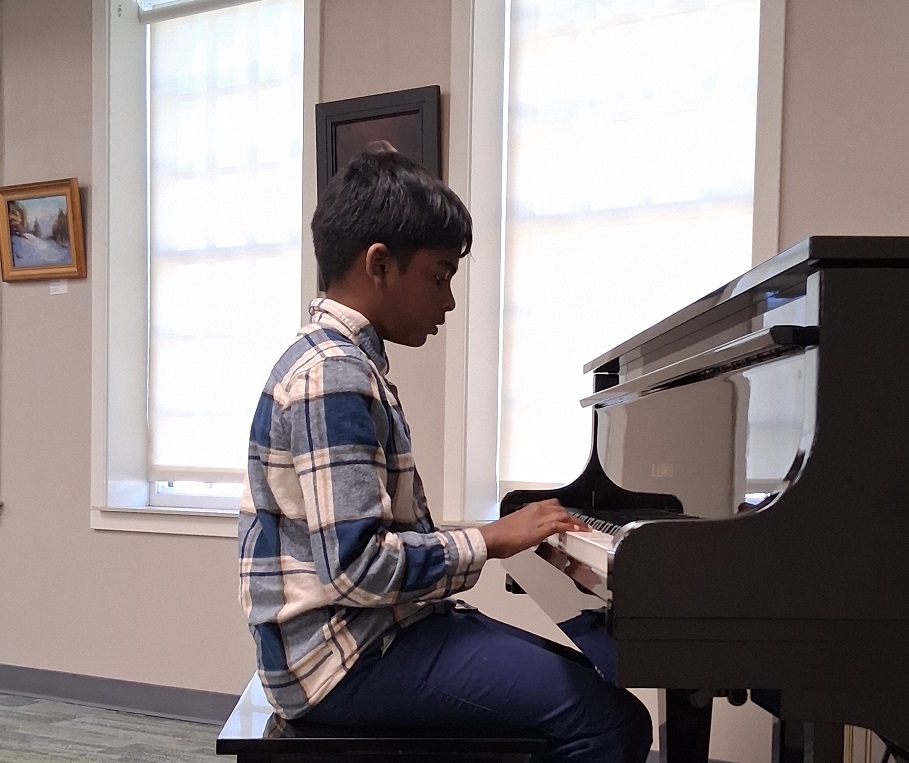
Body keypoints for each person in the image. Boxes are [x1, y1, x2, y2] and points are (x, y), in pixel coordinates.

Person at [238, 146, 654, 762]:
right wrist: (490, 539)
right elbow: (356, 568)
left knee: (589, 685)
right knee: (611, 721)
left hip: (372, 633)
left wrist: (491, 539)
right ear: (380, 264)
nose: (450, 301)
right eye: (439, 277)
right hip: (340, 661)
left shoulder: (339, 363)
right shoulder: (333, 374)